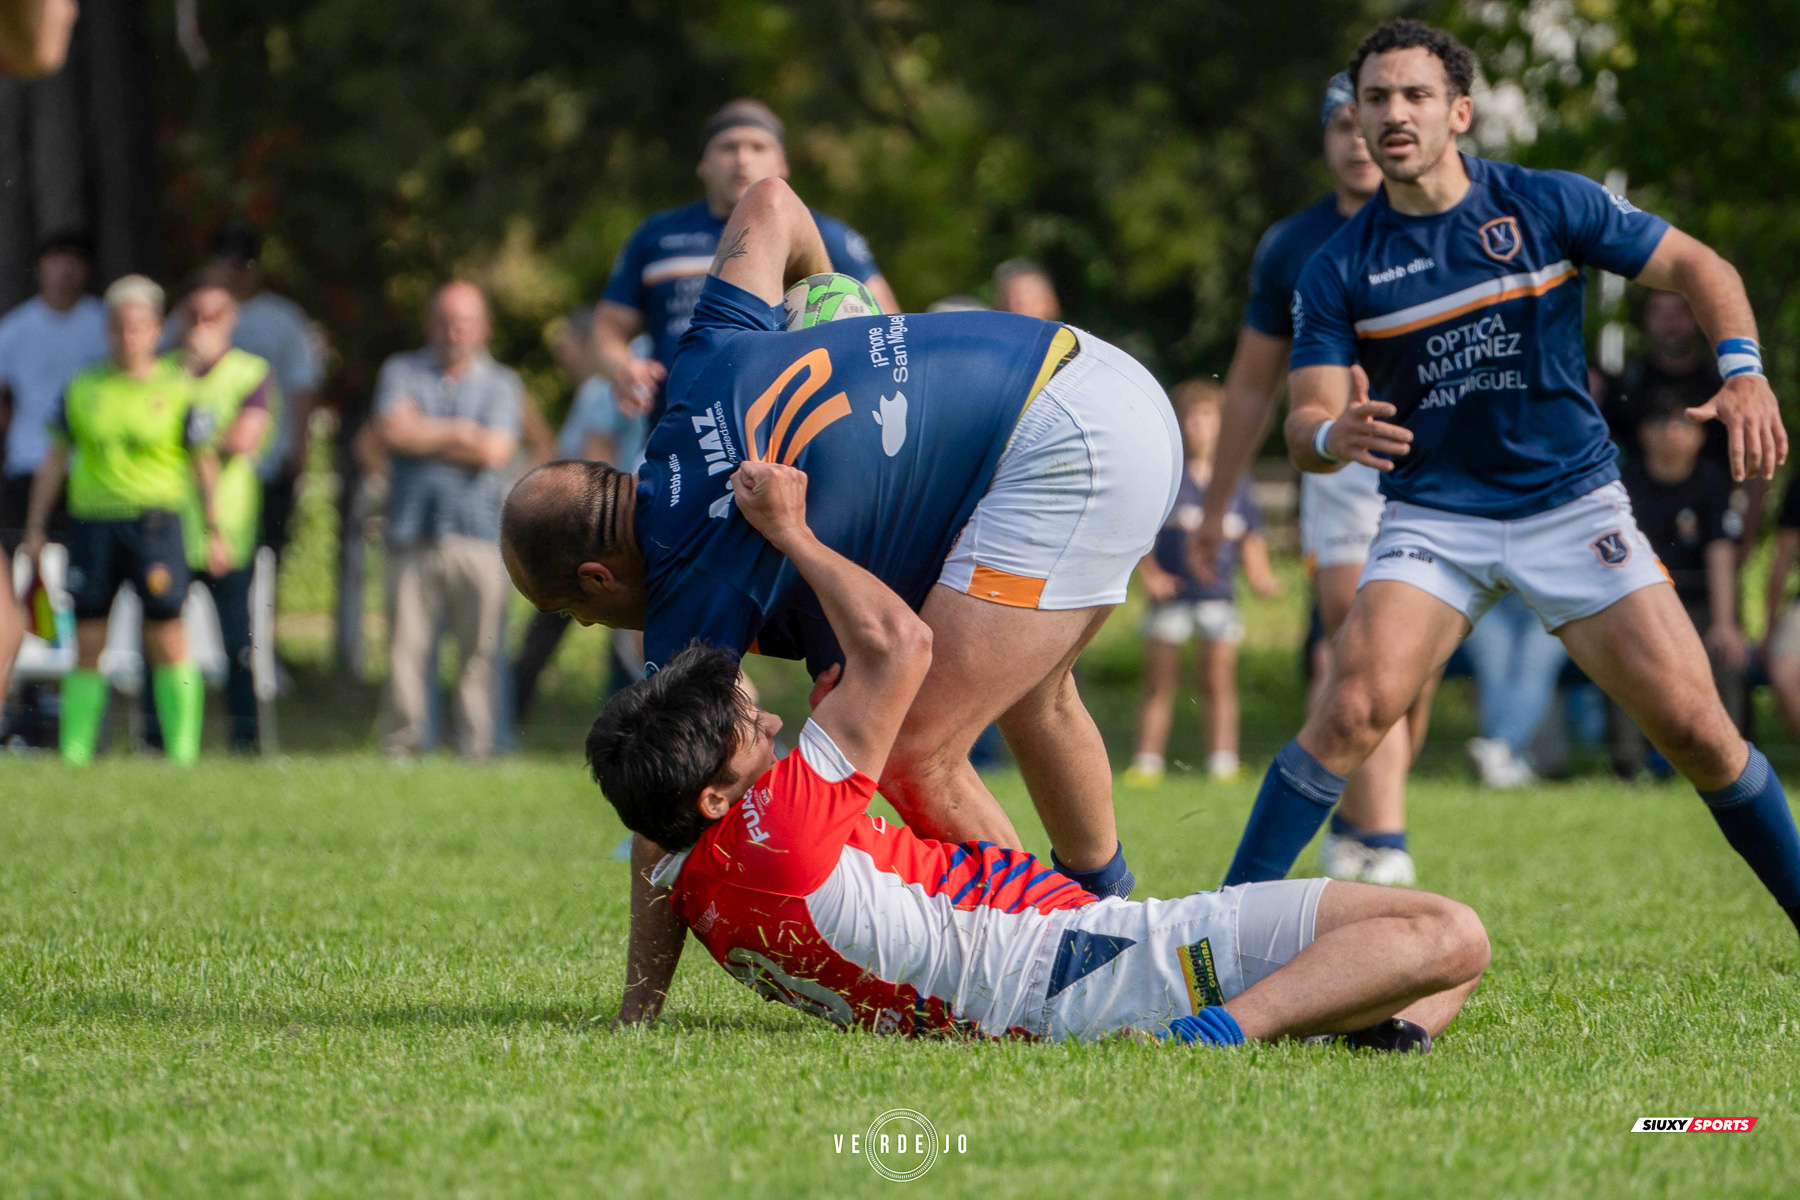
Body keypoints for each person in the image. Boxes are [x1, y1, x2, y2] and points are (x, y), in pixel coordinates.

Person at [504, 177, 1181, 1021]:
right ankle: (1109, 919)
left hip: (1064, 443)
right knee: (1035, 698)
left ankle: (1073, 968)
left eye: (578, 613)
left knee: (918, 748)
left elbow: (664, 808)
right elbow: (770, 202)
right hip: (1088, 368)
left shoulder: (685, 584)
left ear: (598, 577)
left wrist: (641, 1003)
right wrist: (850, 311)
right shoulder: (700, 369)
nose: (595, 626)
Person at [1222, 19, 1800, 944]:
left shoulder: (1544, 204)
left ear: (1460, 111)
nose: (1393, 115)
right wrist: (1335, 430)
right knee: (1354, 708)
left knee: (1697, 730)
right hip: (1434, 518)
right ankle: (1211, 931)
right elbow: (1303, 424)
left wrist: (1744, 369)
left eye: (1414, 96)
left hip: (1570, 507)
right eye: (1376, 99)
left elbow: (1701, 266)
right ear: (1357, 122)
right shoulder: (1337, 267)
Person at [587, 457, 1489, 1047]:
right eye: (752, 731)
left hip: (1031, 984)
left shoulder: (702, 882)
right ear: (714, 797)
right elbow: (901, 647)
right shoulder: (779, 823)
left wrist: (640, 1014)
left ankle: (1356, 1033)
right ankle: (1217, 1038)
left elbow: (652, 856)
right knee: (1453, 938)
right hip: (1098, 961)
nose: (776, 728)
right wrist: (793, 532)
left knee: (1415, 986)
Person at [1191, 74, 1433, 886]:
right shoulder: (1293, 246)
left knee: (1407, 674)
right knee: (1358, 639)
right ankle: (1387, 845)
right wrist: (1214, 509)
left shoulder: (1448, 219)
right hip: (1343, 467)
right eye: (1340, 122)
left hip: (1442, 469)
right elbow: (1253, 388)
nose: (1357, 138)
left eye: (1363, 121)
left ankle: (1358, 820)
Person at [594, 99, 897, 424]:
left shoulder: (822, 235)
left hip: (788, 428)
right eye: (727, 147)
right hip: (674, 430)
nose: (742, 159)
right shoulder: (656, 235)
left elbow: (887, 322)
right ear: (703, 163)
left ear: (782, 164)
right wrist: (619, 367)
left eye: (758, 147)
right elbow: (608, 327)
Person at [21, 276, 215, 765]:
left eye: (138, 327)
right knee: (87, 637)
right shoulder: (84, 387)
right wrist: (36, 526)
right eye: (119, 327)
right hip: (92, 523)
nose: (128, 337)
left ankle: (182, 753)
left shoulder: (179, 388)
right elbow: (53, 460)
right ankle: (78, 753)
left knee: (168, 635)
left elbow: (203, 461)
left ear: (155, 329)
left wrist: (213, 528)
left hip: (155, 523)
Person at [373, 281, 522, 760]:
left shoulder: (503, 383)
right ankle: (403, 747)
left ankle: (480, 749)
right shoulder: (400, 370)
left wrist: (429, 431)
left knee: (482, 651)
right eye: (444, 318)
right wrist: (463, 434)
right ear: (428, 323)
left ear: (483, 327)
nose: (453, 329)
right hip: (409, 531)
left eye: (464, 320)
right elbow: (391, 432)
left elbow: (496, 450)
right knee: (405, 650)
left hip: (481, 535)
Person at [1127, 379, 1279, 786]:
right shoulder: (1167, 477)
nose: (1199, 428)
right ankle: (1147, 763)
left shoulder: (1237, 483)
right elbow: (1139, 535)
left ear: (1223, 426)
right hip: (1170, 600)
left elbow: (1251, 537)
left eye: (1208, 418)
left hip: (1219, 599)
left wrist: (1261, 577)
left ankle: (1223, 763)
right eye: (1191, 419)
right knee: (1159, 684)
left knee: (1218, 683)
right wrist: (1152, 576)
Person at [511, 316, 651, 725]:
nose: (563, 359)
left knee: (564, 616)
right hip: (626, 525)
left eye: (566, 348)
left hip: (596, 532)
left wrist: (603, 531)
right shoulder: (660, 355)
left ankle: (624, 721)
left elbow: (596, 465)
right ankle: (628, 721)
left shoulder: (605, 383)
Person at [0, 230, 106, 725]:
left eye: (75, 260)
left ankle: (80, 709)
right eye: (55, 259)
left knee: (85, 590)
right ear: (40, 267)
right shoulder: (16, 329)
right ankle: (26, 701)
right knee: (26, 586)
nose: (65, 269)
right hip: (25, 473)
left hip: (90, 478)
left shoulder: (104, 326)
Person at [1613, 397, 1746, 777]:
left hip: (1700, 604)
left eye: (1683, 425)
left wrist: (1725, 623)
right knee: (1621, 658)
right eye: (1663, 424)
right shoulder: (1624, 484)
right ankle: (1629, 765)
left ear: (1700, 436)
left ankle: (1730, 762)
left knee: (1726, 653)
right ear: (1644, 433)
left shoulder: (1710, 481)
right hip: (1639, 603)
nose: (1673, 434)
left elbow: (1720, 554)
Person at [174, 284, 278, 753]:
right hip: (170, 528)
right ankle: (164, 744)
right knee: (163, 645)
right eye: (193, 314)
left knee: (238, 643)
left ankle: (244, 742)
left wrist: (196, 439)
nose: (202, 325)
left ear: (231, 319)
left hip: (228, 532)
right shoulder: (168, 374)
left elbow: (244, 438)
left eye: (213, 315)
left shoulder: (249, 373)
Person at [1603, 289, 1763, 559]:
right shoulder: (1627, 384)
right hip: (1636, 534)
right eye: (1660, 313)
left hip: (1712, 529)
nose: (1670, 322)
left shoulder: (1722, 385)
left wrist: (1746, 537)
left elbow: (1755, 463)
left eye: (1679, 313)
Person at [205, 221, 326, 561]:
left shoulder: (284, 318)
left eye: (243, 264)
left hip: (268, 462)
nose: (234, 272)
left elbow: (303, 385)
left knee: (265, 560)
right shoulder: (195, 312)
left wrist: (300, 450)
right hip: (203, 459)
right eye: (225, 262)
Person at [1461, 593, 1567, 788]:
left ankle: (1500, 749)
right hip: (1490, 599)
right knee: (1494, 661)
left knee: (1534, 662)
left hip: (1554, 597)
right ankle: (1505, 758)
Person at [993, 259, 1061, 321]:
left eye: (1031, 294)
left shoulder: (1064, 333)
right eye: (1018, 303)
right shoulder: (997, 332)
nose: (1024, 300)